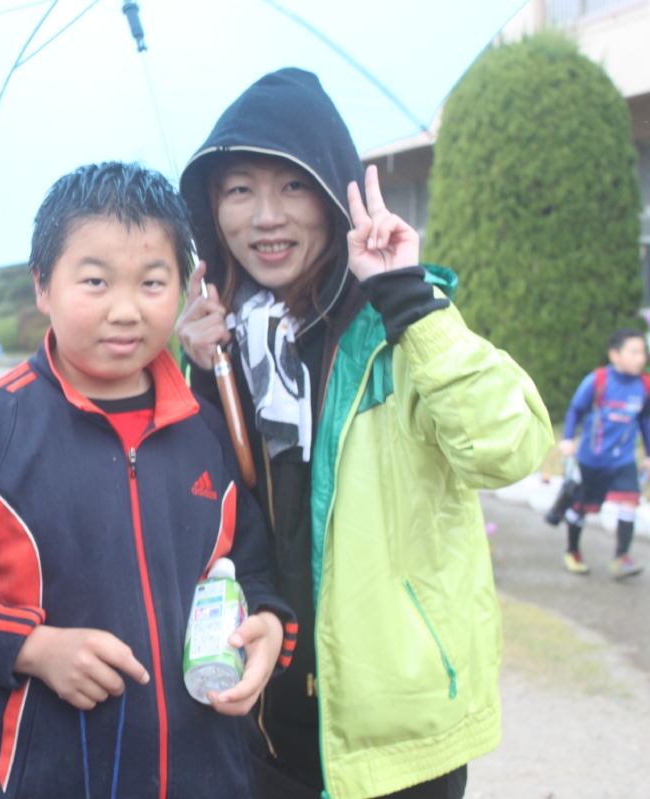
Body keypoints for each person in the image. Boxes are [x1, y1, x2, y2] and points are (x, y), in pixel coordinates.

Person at [174, 69, 552, 799]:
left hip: (394, 738)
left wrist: (407, 298)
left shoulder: (397, 327)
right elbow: (214, 514)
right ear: (212, 210)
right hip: (260, 718)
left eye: (293, 186)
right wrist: (203, 373)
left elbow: (511, 447)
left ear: (333, 192)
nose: (266, 217)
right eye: (240, 190)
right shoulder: (224, 344)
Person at [0, 162, 294, 799]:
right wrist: (30, 647)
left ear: (184, 285)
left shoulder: (205, 430)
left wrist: (268, 625)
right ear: (42, 285)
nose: (125, 310)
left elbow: (253, 572)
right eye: (96, 282)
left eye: (152, 282)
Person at [556, 328, 649, 579]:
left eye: (643, 352)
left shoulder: (644, 385)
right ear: (614, 355)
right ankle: (573, 552)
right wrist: (567, 440)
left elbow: (645, 420)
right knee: (581, 507)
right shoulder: (597, 380)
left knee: (630, 500)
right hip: (592, 458)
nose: (641, 358)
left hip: (624, 460)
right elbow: (575, 410)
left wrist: (649, 455)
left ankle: (622, 558)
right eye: (634, 352)